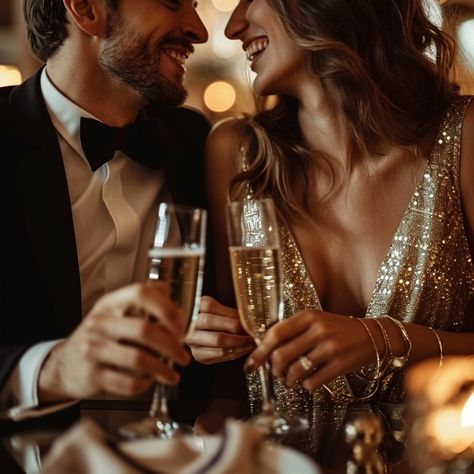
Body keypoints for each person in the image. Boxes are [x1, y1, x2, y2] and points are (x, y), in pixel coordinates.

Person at [186, 0, 474, 461]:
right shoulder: (236, 155)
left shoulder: (464, 139)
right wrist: (212, 346)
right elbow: (236, 386)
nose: (235, 25)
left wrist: (386, 339)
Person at [0, 0, 210, 421]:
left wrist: (219, 333)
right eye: (173, 3)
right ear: (86, 10)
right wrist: (55, 368)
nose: (199, 30)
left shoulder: (194, 141)